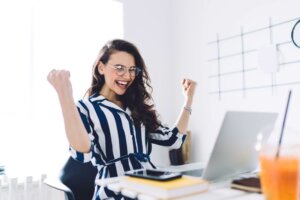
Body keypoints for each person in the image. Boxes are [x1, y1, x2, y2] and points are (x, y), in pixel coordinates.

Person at [47, 39, 197, 199]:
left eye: (132, 69)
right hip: (113, 192)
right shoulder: (86, 108)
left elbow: (172, 139)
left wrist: (188, 99)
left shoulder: (136, 107)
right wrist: (65, 97)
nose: (127, 76)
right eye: (119, 68)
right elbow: (82, 152)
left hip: (149, 189)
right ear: (101, 67)